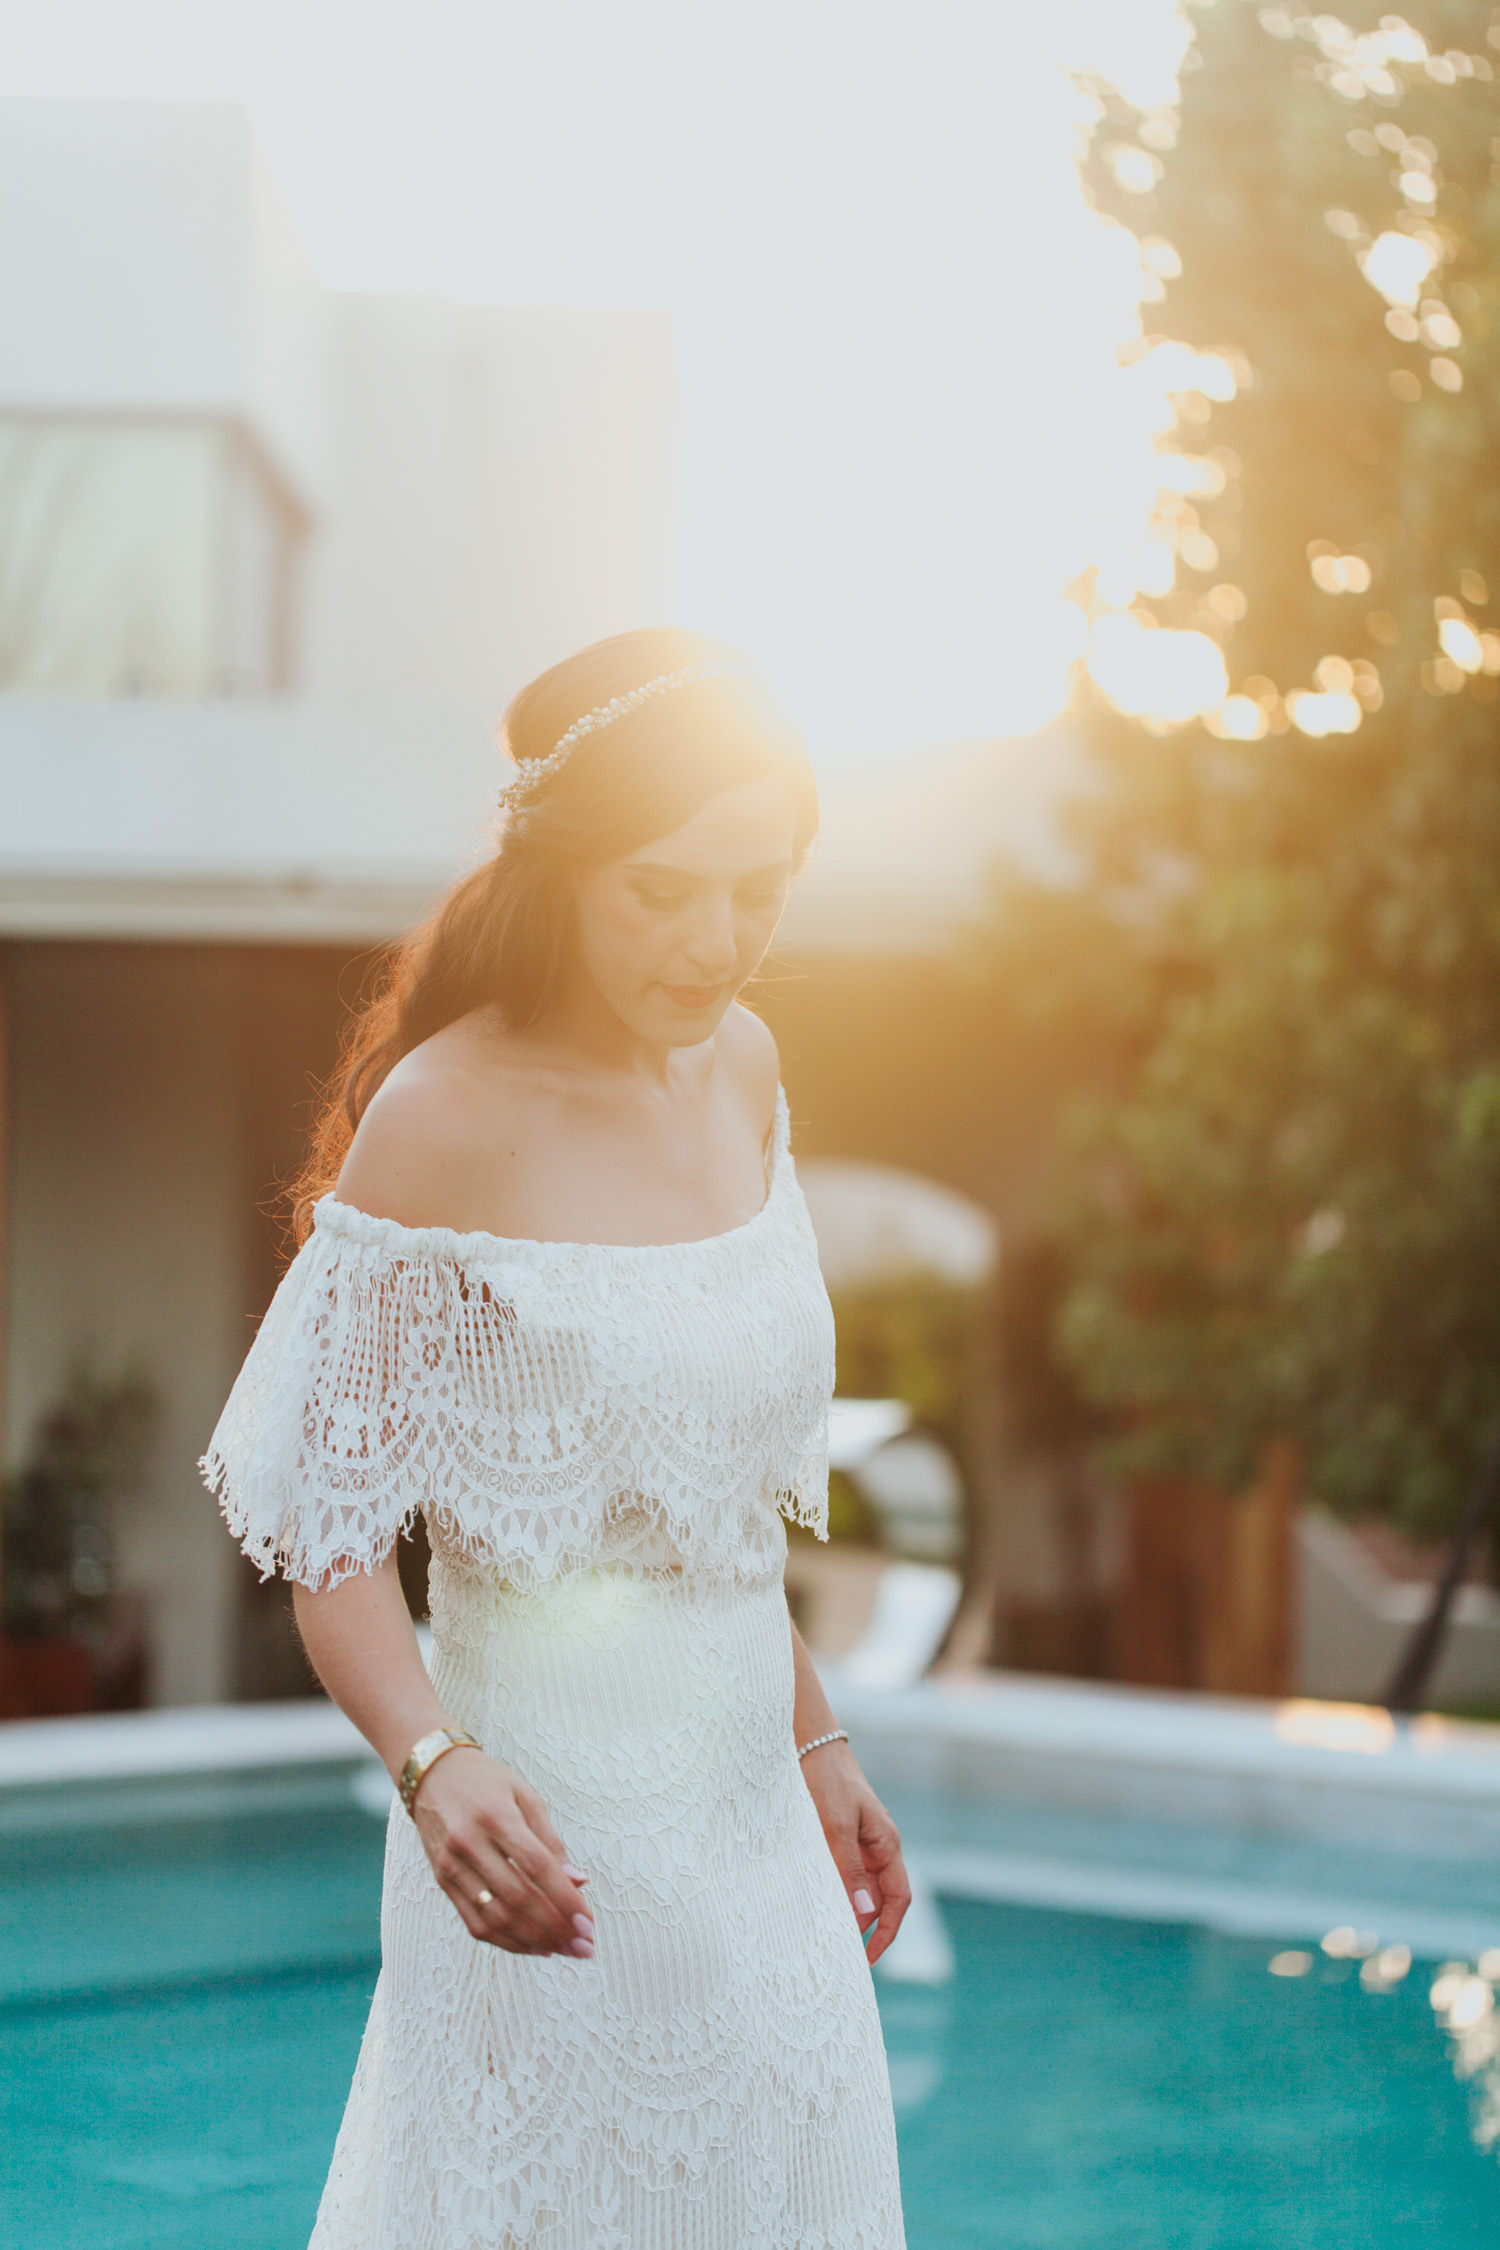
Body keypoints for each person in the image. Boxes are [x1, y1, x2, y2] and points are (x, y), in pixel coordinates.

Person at [202, 627, 910, 2250]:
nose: (713, 938)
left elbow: (715, 1504)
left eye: (757, 886)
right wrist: (431, 1765)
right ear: (564, 869)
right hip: (544, 1844)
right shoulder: (447, 1114)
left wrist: (823, 1744)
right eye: (660, 888)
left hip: (757, 1840)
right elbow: (328, 1533)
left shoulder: (747, 1073)